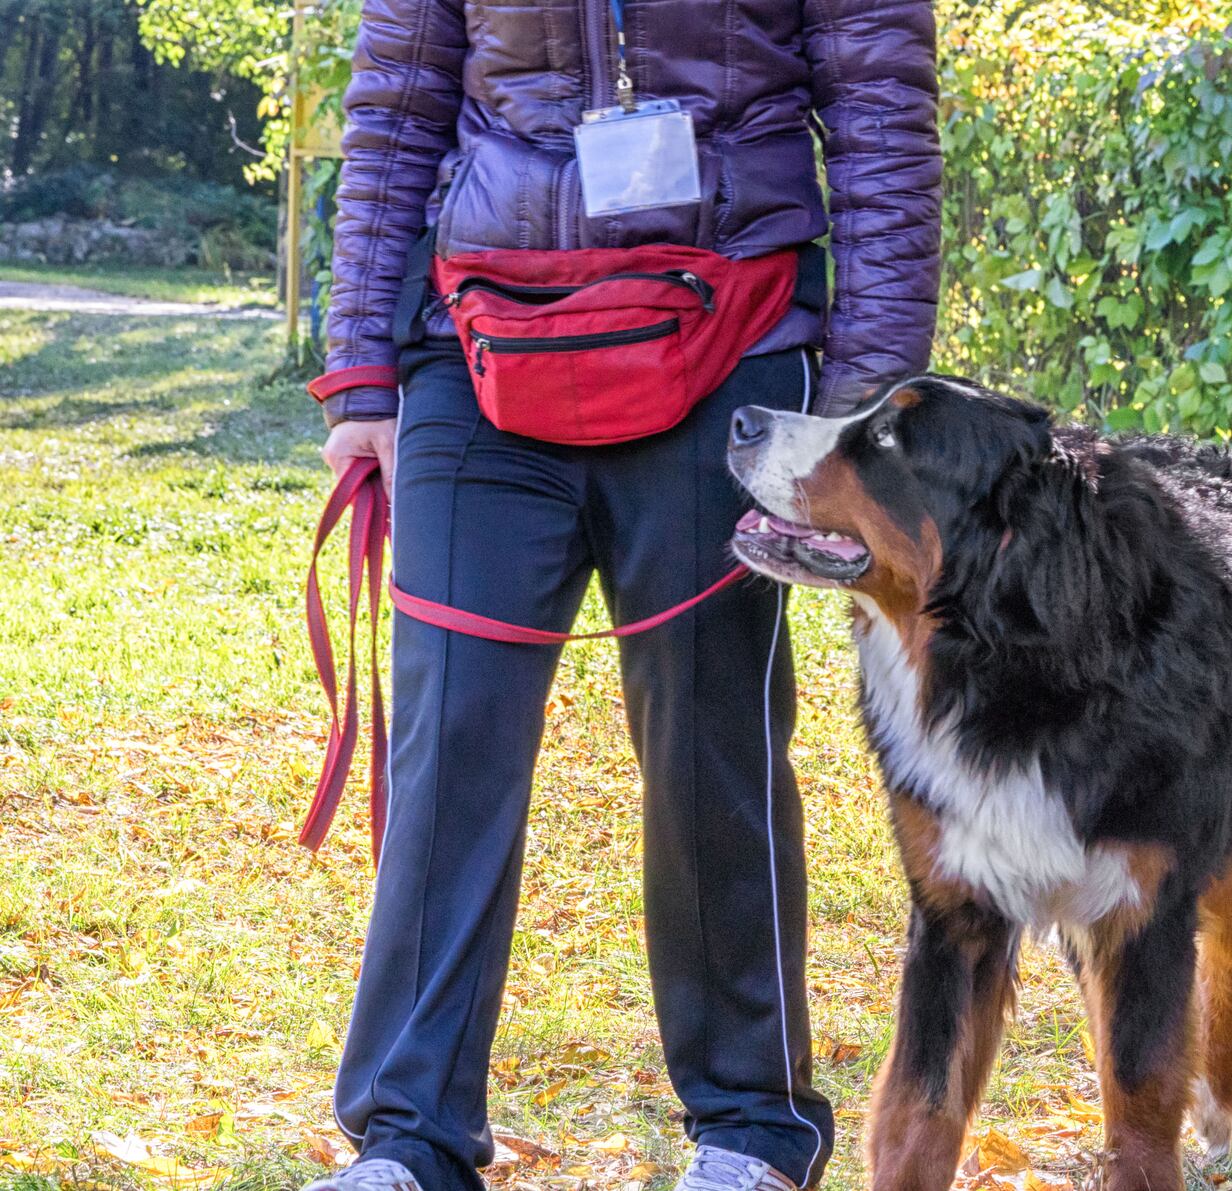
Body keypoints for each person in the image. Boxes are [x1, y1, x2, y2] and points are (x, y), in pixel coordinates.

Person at [303, 3, 941, 1190]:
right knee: (450, 739)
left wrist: (864, 396)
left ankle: (752, 1129)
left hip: (729, 340)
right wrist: (361, 370)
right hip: (477, 348)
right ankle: (409, 1138)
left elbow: (879, 113)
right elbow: (397, 101)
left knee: (709, 741)